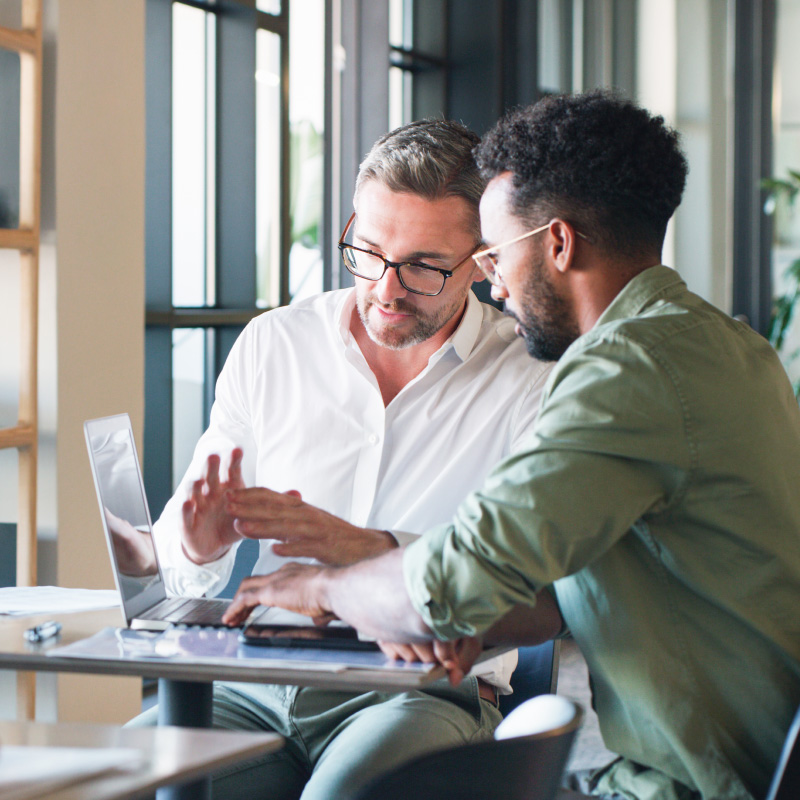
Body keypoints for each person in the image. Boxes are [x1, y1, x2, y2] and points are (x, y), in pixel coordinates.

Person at [223, 91, 800, 800]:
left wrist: (319, 584)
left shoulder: (625, 370)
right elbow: (514, 577)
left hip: (693, 783)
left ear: (558, 243)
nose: (490, 281)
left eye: (493, 253)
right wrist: (454, 607)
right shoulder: (731, 346)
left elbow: (456, 572)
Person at [138, 119, 553, 800]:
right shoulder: (274, 344)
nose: (387, 290)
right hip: (257, 680)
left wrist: (364, 551)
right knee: (117, 776)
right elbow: (180, 578)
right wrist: (196, 545)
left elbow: (530, 582)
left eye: (423, 266)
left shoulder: (529, 377)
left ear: (482, 260)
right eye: (366, 251)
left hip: (420, 689)